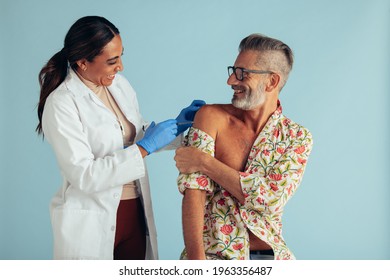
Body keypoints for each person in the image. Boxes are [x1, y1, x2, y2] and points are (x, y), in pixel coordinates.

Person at [36, 16, 204, 260]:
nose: (121, 67)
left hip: (134, 212)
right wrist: (145, 147)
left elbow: (133, 135)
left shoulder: (119, 85)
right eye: (112, 61)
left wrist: (177, 127)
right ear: (83, 62)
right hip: (92, 219)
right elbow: (84, 175)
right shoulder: (62, 103)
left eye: (121, 56)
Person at [175, 34, 313, 260]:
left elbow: (269, 200)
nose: (231, 81)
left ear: (272, 82)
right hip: (213, 256)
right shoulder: (211, 117)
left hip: (272, 257)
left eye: (242, 73)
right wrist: (196, 262)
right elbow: (194, 193)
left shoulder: (297, 138)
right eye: (233, 70)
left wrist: (204, 162)